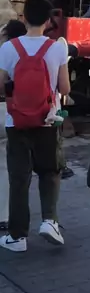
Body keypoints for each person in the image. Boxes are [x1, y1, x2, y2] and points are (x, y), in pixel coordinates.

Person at [0, 0, 70, 252]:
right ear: (48, 21)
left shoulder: (9, 48)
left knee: (19, 178)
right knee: (50, 172)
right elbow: (65, 87)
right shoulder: (56, 48)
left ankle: (17, 237)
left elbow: (1, 85)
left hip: (16, 121)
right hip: (48, 120)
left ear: (24, 17)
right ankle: (50, 221)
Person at [0, 20, 27, 231]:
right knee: (5, 167)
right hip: (11, 112)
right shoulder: (26, 51)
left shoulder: (5, 50)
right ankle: (3, 216)